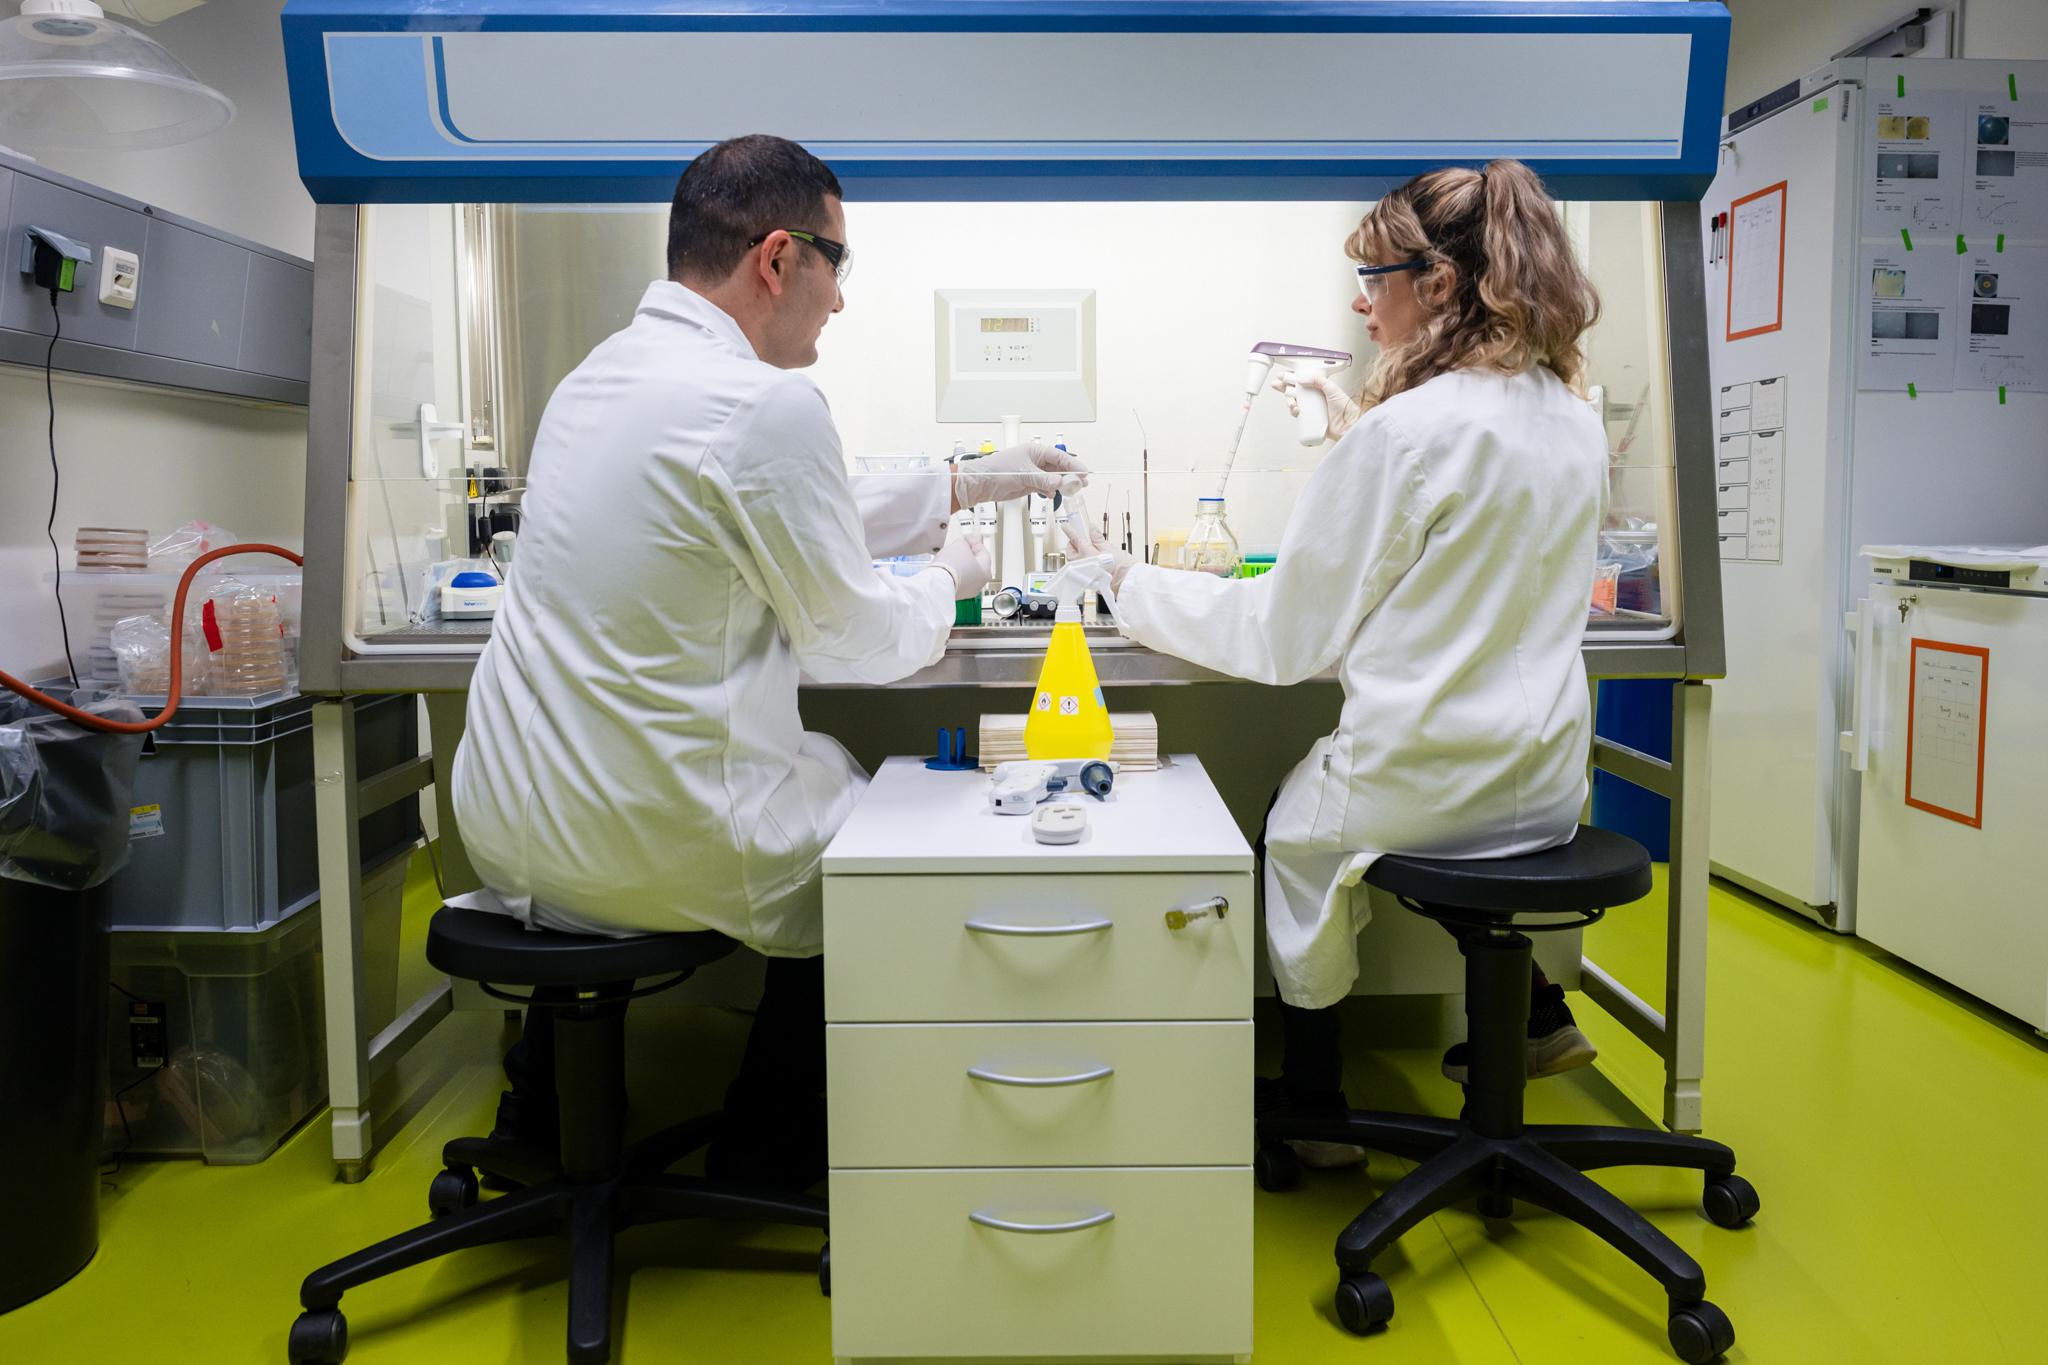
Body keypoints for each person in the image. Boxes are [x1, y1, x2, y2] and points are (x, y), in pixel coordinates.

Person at [449, 134, 1087, 1189]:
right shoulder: (763, 403)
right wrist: (947, 582)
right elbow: (852, 639)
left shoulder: (596, 379)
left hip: (511, 831)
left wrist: (967, 480)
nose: (841, 299)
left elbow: (768, 505)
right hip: (654, 844)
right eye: (840, 263)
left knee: (805, 769)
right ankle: (770, 1144)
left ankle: (542, 1119)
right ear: (779, 258)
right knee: (877, 822)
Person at [1066, 159, 1606, 1165]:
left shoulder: (1406, 432)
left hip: (1426, 779)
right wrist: (1357, 433)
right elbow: (1465, 533)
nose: (1361, 303)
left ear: (1437, 284)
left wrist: (1124, 583)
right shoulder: (1570, 416)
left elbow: (1279, 639)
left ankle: (1313, 1106)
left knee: (1290, 825)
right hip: (1543, 789)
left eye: (1374, 279)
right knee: (1386, 824)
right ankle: (1532, 1013)